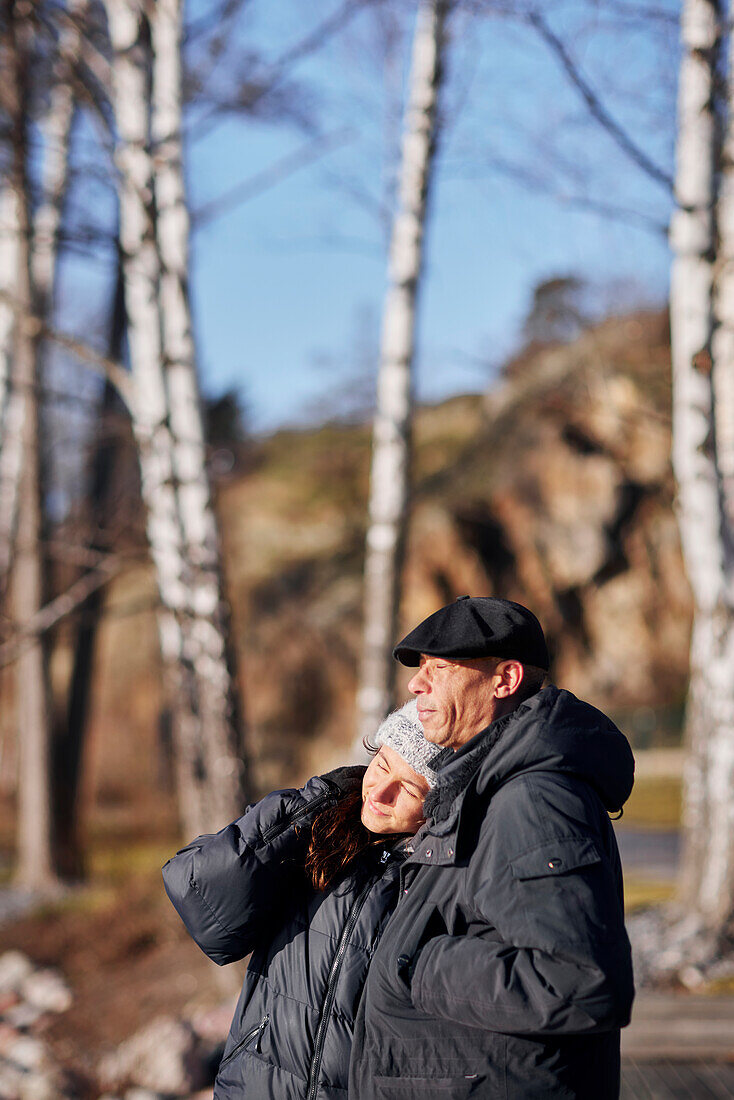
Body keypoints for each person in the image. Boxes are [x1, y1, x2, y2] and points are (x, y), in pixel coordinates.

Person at [349, 595, 635, 1100]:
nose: (417, 683)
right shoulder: (489, 786)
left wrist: (418, 963)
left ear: (505, 680)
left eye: (438, 668)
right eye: (420, 669)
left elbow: (580, 981)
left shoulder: (534, 799)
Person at [162, 699, 444, 1099]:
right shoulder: (320, 832)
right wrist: (304, 809)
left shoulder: (441, 879)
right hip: (256, 1085)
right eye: (381, 766)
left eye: (409, 788)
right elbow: (203, 905)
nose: (380, 792)